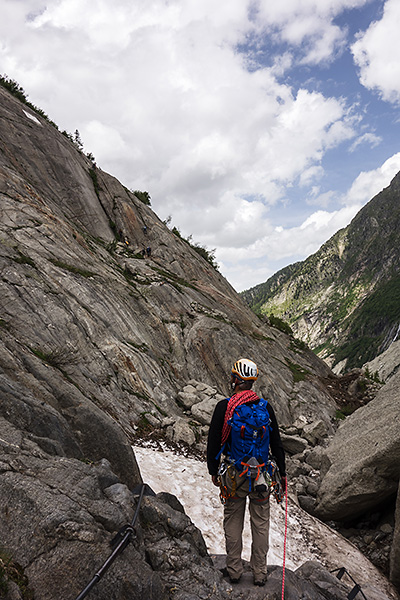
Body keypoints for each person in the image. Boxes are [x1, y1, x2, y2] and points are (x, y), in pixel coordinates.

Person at [207, 358, 286, 587]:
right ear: (251, 382)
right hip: (261, 474)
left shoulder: (225, 406)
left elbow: (214, 443)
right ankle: (260, 573)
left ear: (237, 380)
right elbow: (277, 443)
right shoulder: (265, 407)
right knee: (260, 523)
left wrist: (213, 470)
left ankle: (234, 570)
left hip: (234, 475)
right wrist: (282, 473)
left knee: (233, 520)